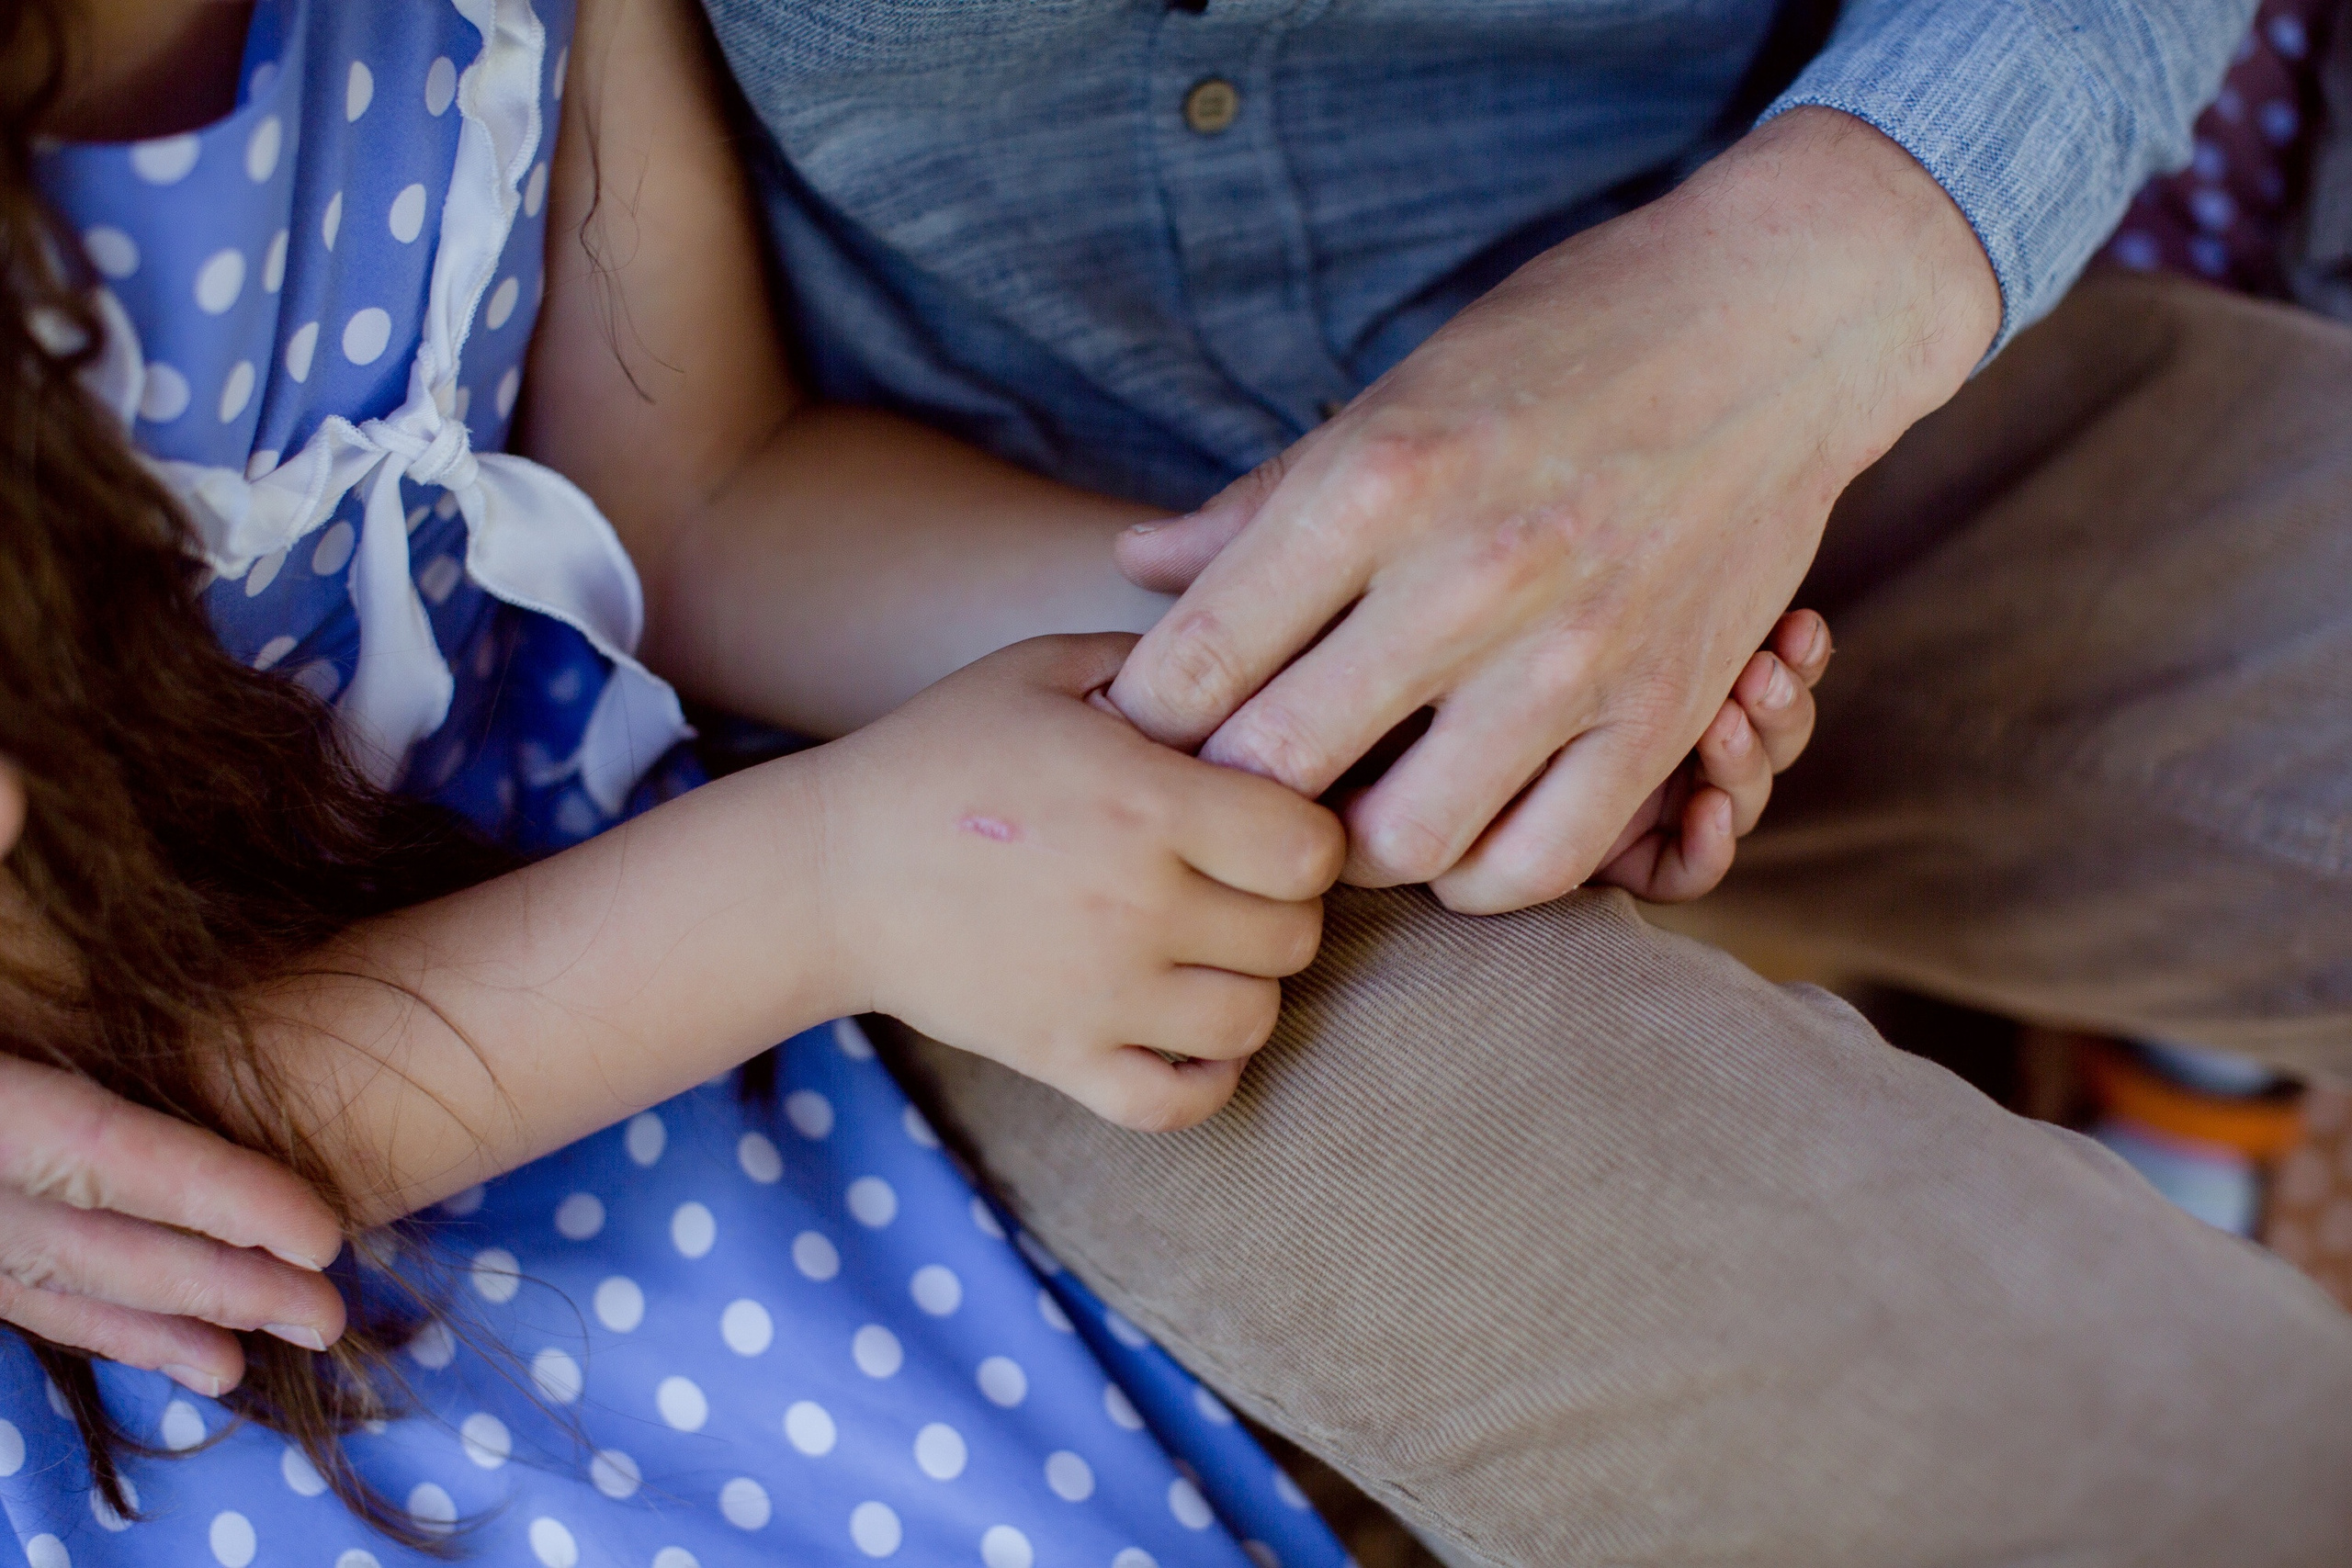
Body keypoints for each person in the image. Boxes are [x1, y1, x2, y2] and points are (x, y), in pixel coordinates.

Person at [0, 0, 1815, 1562]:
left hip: (647, 923)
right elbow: (126, 1142)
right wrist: (836, 884)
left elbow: (699, 501)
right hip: (266, 1285)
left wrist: (1364, 664)